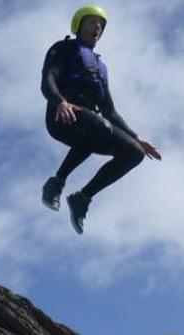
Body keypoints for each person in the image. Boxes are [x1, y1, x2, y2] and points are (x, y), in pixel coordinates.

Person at [40, 5, 161, 234]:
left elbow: (110, 111)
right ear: (79, 25)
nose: (97, 27)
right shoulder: (64, 48)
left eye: (101, 25)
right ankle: (57, 182)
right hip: (60, 116)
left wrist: (137, 137)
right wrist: (60, 101)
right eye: (92, 22)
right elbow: (48, 80)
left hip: (90, 123)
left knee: (133, 152)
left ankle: (82, 198)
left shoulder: (100, 67)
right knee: (97, 126)